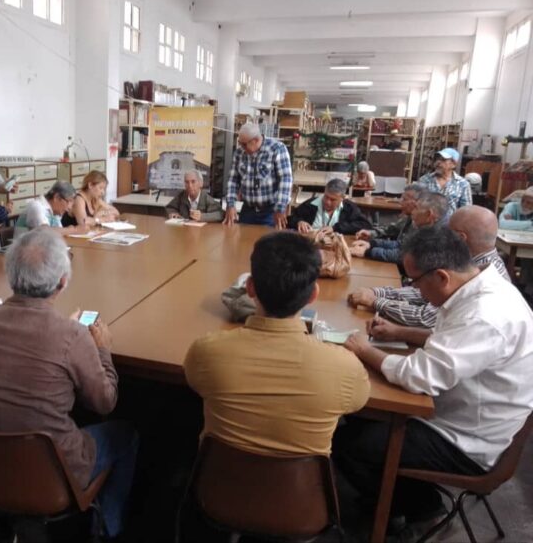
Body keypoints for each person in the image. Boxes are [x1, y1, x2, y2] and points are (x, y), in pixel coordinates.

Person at [337, 226, 533, 527]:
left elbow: (420, 377)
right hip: (461, 410)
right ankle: (395, 496)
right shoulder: (478, 286)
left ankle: (414, 509)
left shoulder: (485, 314)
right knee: (360, 416)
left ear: (441, 276)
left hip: (465, 439)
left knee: (348, 443)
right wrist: (399, 332)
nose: (416, 290)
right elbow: (450, 340)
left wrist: (364, 350)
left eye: (416, 282)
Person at [0, 229, 138, 539]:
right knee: (126, 435)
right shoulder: (71, 335)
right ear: (62, 282)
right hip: (52, 472)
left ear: (10, 274)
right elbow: (105, 402)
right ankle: (109, 528)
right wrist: (101, 349)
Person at [185, 231, 370, 457]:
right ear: (314, 294)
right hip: (303, 491)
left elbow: (194, 382)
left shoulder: (205, 352)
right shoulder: (346, 368)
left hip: (215, 485)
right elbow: (358, 401)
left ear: (250, 288)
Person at [348, 205, 512, 328]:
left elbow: (426, 318)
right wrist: (379, 292)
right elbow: (424, 293)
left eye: (448, 232)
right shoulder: (471, 262)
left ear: (461, 238)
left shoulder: (485, 276)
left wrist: (376, 301)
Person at [223, 123, 293, 228]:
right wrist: (230, 204)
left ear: (255, 140)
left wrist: (280, 207)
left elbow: (285, 179)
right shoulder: (239, 153)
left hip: (270, 211)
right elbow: (233, 180)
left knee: (268, 242)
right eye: (240, 143)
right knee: (243, 241)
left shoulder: (277, 149)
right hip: (248, 210)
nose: (241, 147)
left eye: (244, 144)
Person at [349, 187, 440, 261]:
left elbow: (404, 256)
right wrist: (371, 243)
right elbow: (400, 243)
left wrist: (368, 251)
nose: (400, 202)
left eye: (404, 199)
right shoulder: (414, 220)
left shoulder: (433, 234)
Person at [288, 178, 372, 235]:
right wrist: (299, 222)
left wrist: (335, 228)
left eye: (333, 200)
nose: (328, 202)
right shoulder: (310, 204)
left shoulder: (349, 208)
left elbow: (365, 225)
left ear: (342, 198)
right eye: (326, 197)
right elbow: (291, 218)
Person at [15, 180, 87, 235]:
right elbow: (45, 232)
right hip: (24, 252)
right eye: (69, 202)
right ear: (56, 197)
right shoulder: (36, 206)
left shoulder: (55, 212)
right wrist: (74, 230)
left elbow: (59, 232)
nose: (70, 208)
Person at [417, 148, 471, 213]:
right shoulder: (425, 180)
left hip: (450, 222)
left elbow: (466, 210)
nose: (438, 162)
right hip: (428, 221)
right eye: (437, 159)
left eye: (443, 160)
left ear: (453, 164)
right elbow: (417, 203)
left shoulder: (462, 184)